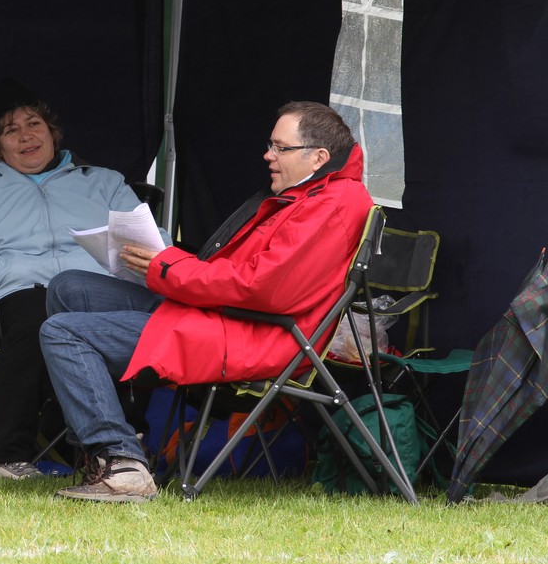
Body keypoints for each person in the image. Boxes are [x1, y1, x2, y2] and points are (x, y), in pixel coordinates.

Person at [40, 101, 373, 502]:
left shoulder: (331, 205)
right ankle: (121, 436)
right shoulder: (313, 194)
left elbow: (262, 289)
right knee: (68, 287)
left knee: (62, 333)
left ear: (318, 157)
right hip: (227, 316)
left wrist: (167, 267)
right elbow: (247, 276)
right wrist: (166, 267)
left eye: (279, 148)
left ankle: (122, 462)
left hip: (253, 334)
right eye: (271, 144)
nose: (268, 155)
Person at [0, 77, 156, 479]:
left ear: (52, 131)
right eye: (10, 130)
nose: (25, 136)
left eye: (33, 124)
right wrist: (5, 276)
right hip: (5, 307)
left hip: (91, 297)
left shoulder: (103, 182)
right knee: (36, 309)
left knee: (134, 317)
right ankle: (9, 454)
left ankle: (119, 446)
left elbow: (152, 246)